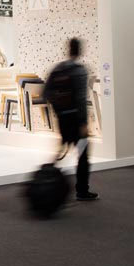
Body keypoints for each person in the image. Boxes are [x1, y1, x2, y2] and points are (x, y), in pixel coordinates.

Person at [43, 37, 98, 202]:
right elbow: (81, 99)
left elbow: (45, 93)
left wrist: (58, 111)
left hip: (63, 119)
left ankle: (46, 179)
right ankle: (82, 191)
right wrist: (83, 123)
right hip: (76, 121)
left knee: (61, 150)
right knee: (83, 154)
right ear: (80, 51)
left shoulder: (58, 69)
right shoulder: (80, 71)